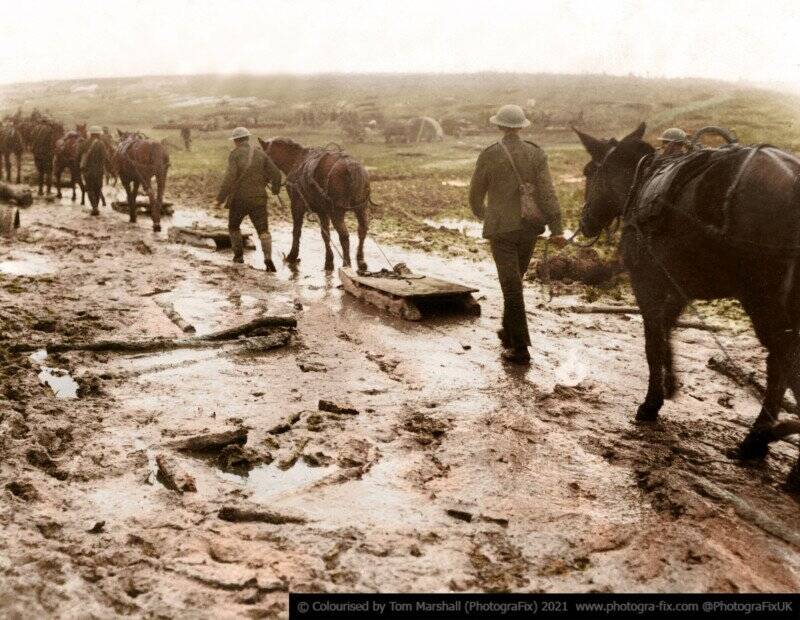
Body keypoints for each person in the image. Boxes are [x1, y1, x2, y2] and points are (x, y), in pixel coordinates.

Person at [469, 104, 565, 364]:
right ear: (522, 127)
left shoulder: (489, 154)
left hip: (502, 229)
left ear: (500, 126)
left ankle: (520, 347)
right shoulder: (536, 153)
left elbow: (476, 194)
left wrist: (482, 213)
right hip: (529, 228)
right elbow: (547, 192)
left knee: (511, 285)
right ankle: (508, 331)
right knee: (515, 282)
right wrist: (557, 228)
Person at [216, 127, 282, 271]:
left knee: (233, 227)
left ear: (235, 141)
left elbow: (229, 178)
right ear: (247, 138)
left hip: (239, 199)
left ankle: (238, 257)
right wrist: (276, 190)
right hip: (259, 198)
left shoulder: (235, 154)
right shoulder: (260, 153)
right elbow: (277, 175)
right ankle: (268, 259)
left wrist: (220, 199)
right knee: (263, 230)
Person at [79, 126, 108, 215]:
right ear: (99, 134)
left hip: (87, 171)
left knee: (90, 188)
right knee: (98, 188)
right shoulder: (101, 144)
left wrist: (79, 168)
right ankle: (96, 207)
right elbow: (105, 158)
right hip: (99, 171)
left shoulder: (84, 143)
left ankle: (94, 207)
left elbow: (78, 156)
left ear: (90, 134)